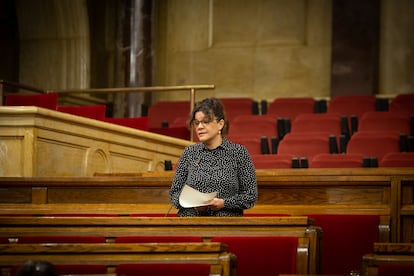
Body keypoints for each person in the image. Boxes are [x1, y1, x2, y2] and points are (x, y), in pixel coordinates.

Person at [169, 97, 258, 216]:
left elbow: (250, 196)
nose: (199, 127)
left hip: (226, 222)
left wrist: (224, 203)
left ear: (220, 124)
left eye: (205, 122)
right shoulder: (189, 153)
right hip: (191, 220)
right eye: (196, 123)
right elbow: (174, 194)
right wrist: (192, 205)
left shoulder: (238, 153)